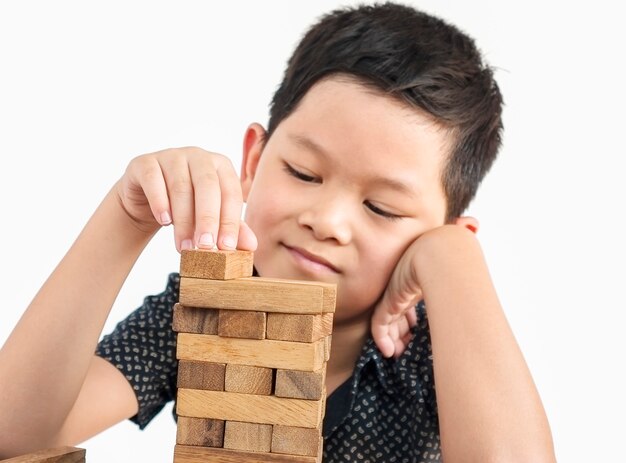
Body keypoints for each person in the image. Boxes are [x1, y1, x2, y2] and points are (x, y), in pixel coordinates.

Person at [0, 3, 556, 462]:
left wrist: (452, 257)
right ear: (254, 160)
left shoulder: (433, 351)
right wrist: (126, 218)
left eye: (382, 208)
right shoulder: (206, 313)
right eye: (303, 174)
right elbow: (14, 438)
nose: (327, 221)